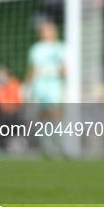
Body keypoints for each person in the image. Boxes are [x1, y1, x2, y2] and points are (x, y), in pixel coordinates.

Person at [24, 21, 65, 156]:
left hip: (54, 87)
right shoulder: (36, 49)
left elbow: (65, 69)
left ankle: (59, 145)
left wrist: (55, 71)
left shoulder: (60, 48)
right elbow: (31, 70)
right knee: (43, 117)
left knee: (55, 115)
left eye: (51, 30)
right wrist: (26, 87)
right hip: (40, 87)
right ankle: (46, 147)